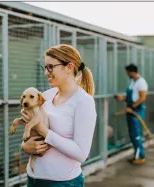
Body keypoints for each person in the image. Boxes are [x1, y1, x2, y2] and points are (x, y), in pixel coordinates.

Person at [21, 44, 97, 187]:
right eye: (45, 68)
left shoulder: (83, 101)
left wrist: (44, 131)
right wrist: (25, 146)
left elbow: (81, 153)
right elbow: (30, 134)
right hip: (33, 179)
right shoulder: (45, 96)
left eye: (51, 67)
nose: (46, 73)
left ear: (69, 67)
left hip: (63, 182)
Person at [114, 63, 148, 165]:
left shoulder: (141, 82)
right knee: (133, 135)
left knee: (136, 135)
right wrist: (122, 98)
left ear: (132, 72)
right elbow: (132, 96)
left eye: (128, 72)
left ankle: (140, 157)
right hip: (131, 110)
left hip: (136, 111)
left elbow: (142, 98)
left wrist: (132, 107)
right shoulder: (133, 82)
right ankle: (136, 155)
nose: (127, 74)